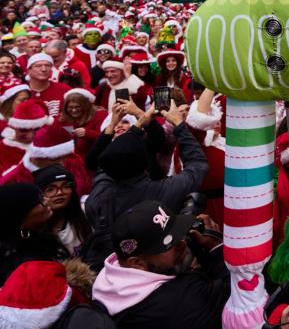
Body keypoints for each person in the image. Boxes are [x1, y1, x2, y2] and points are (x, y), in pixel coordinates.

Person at [83, 101, 208, 268]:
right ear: (145, 163)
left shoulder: (96, 198)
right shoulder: (165, 190)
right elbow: (198, 166)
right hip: (161, 271)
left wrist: (129, 124)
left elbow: (105, 161)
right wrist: (179, 124)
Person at [90, 200, 229, 328]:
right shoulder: (181, 302)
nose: (183, 243)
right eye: (169, 244)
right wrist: (216, 249)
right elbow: (240, 296)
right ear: (137, 263)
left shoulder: (107, 281)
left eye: (178, 234)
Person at [0, 183, 64, 284]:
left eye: (42, 196)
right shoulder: (25, 268)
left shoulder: (38, 236)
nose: (47, 201)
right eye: (40, 201)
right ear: (20, 220)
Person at [35, 164, 92, 258]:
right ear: (40, 194)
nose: (59, 192)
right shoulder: (35, 226)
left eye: (66, 186)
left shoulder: (85, 212)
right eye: (50, 189)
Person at [59, 88, 107, 159]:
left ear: (86, 105)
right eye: (70, 107)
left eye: (77, 107)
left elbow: (107, 139)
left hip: (92, 162)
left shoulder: (100, 115)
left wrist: (88, 134)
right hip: (70, 163)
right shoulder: (64, 118)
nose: (74, 110)